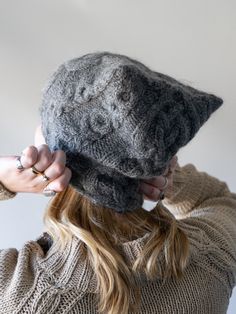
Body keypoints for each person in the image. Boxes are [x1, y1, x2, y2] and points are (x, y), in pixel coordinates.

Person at [0, 51, 235, 314]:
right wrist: (167, 174)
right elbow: (220, 199)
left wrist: (3, 180)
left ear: (48, 151)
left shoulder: (17, 292)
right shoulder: (213, 256)